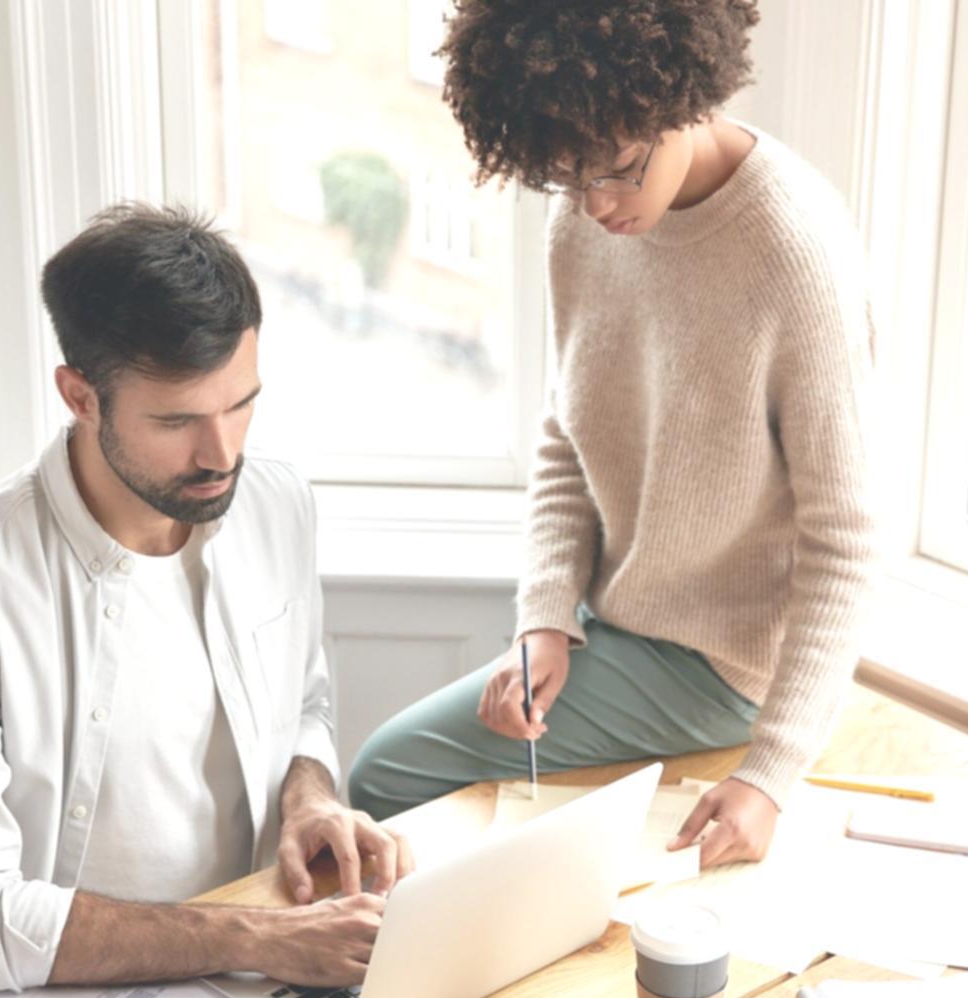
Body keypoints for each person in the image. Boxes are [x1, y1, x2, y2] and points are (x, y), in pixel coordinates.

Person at [348, 0, 880, 868]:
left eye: (619, 171)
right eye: (568, 178)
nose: (596, 204)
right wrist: (545, 618)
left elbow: (847, 541)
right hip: (615, 613)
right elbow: (568, 433)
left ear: (684, 99)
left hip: (721, 662)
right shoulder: (587, 214)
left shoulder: (794, 254)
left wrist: (771, 775)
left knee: (385, 774)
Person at [0, 204, 410, 996]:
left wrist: (309, 798)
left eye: (241, 403)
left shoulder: (276, 504)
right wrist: (255, 937)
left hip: (275, 965)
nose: (222, 453)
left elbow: (304, 706)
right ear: (80, 397)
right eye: (177, 420)